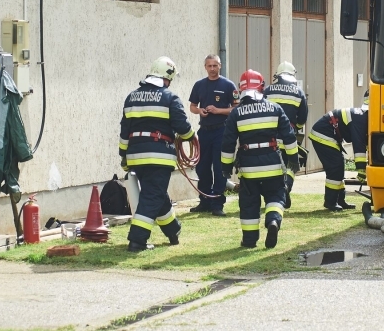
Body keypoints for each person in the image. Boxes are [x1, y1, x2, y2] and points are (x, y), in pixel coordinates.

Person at [120, 56, 195, 252]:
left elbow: (124, 132)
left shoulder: (131, 97)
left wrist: (124, 157)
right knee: (152, 196)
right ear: (167, 77)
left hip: (136, 156)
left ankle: (173, 230)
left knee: (156, 193)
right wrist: (191, 136)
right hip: (159, 156)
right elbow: (183, 128)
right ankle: (137, 240)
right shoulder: (170, 98)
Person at [221, 70, 299, 249]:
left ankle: (249, 241)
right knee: (276, 196)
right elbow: (289, 136)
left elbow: (227, 144)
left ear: (241, 89)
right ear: (262, 87)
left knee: (249, 203)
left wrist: (225, 168)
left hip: (248, 168)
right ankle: (273, 221)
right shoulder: (275, 108)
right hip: (272, 164)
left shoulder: (236, 113)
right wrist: (293, 159)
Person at [188, 54, 238, 216]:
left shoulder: (228, 85)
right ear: (205, 67)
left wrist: (218, 111)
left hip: (221, 131)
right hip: (204, 131)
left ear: (220, 66)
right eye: (209, 66)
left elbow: (236, 108)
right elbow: (192, 106)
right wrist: (200, 111)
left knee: (219, 168)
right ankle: (205, 201)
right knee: (202, 167)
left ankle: (217, 203)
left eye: (215, 66)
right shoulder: (199, 85)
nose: (212, 69)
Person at [263, 61, 308, 209]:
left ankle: (275, 194)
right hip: (289, 136)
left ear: (278, 75)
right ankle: (287, 186)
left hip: (270, 137)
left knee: (272, 166)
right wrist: (297, 128)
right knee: (291, 164)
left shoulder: (267, 91)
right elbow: (302, 118)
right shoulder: (298, 92)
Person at [308, 108, 369, 211]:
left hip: (327, 133)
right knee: (335, 168)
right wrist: (361, 169)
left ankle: (340, 200)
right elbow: (359, 145)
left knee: (339, 167)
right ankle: (330, 202)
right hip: (323, 134)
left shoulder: (362, 117)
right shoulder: (361, 120)